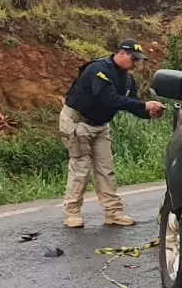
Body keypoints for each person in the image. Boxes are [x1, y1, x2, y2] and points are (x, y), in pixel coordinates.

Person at [59, 40, 163, 229]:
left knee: (106, 169)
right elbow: (109, 98)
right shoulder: (98, 70)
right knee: (80, 168)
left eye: (138, 60)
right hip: (77, 122)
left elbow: (131, 103)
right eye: (133, 59)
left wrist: (149, 112)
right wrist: (143, 105)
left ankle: (113, 213)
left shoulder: (128, 79)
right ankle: (72, 213)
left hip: (100, 125)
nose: (136, 63)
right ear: (121, 53)